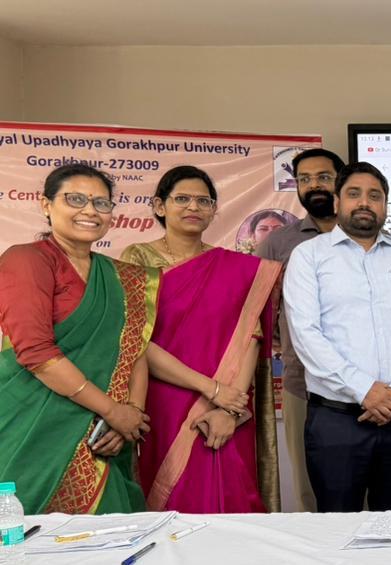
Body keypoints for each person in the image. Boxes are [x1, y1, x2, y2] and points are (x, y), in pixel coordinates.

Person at [120, 165, 282, 513]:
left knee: (231, 498)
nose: (193, 207)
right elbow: (136, 341)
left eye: (203, 201)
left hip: (229, 404)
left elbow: (250, 338)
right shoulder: (138, 259)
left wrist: (228, 407)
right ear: (159, 206)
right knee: (173, 504)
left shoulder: (237, 269)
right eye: (182, 199)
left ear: (213, 210)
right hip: (165, 400)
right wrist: (211, 389)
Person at [284, 162, 391, 512]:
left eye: (375, 195)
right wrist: (365, 390)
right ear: (337, 202)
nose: (365, 203)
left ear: (386, 204)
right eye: (354, 194)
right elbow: (306, 333)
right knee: (338, 525)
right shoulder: (309, 256)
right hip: (336, 421)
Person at [0, 164, 154, 514]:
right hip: (34, 427)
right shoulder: (27, 260)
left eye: (101, 203)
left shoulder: (120, 276)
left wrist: (130, 414)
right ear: (46, 205)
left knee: (110, 534)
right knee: (31, 531)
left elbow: (135, 349)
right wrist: (112, 410)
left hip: (103, 435)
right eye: (75, 199)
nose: (90, 211)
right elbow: (37, 354)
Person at [256, 147, 344, 512]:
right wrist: (287, 340)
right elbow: (260, 311)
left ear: (341, 180)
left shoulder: (369, 236)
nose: (314, 185)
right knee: (312, 491)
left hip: (368, 388)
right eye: (305, 179)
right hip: (301, 383)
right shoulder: (278, 244)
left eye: (323, 177)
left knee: (366, 491)